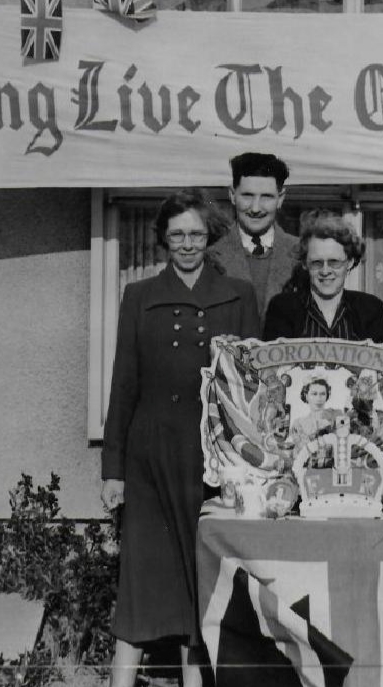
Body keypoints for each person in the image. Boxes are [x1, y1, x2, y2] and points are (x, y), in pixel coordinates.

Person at [100, 191, 260, 687]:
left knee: (198, 579)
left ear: (209, 237)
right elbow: (123, 385)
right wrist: (113, 470)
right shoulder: (139, 296)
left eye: (195, 234)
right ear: (163, 240)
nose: (187, 244)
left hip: (211, 460)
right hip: (149, 457)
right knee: (141, 578)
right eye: (177, 235)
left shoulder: (238, 295)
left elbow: (253, 390)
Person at [206, 152, 303, 322]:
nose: (256, 208)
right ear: (232, 195)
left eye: (266, 197)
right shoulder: (209, 254)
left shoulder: (303, 253)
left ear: (280, 198)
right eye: (247, 196)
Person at [263, 211, 383, 341]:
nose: (325, 271)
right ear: (305, 263)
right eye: (317, 262)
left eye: (334, 262)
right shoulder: (283, 308)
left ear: (349, 262)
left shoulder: (370, 309)